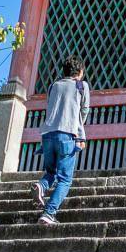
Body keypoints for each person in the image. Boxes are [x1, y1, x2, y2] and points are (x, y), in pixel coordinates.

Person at [35, 56, 89, 225]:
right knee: (65, 179)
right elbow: (84, 110)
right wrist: (80, 133)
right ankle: (49, 213)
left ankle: (42, 186)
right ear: (80, 72)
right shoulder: (81, 86)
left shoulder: (54, 86)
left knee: (51, 172)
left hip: (47, 135)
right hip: (67, 135)